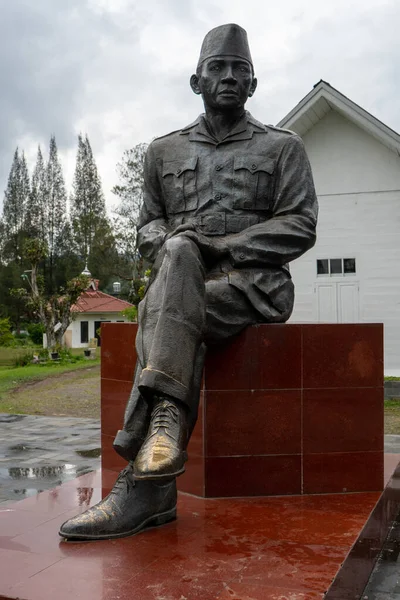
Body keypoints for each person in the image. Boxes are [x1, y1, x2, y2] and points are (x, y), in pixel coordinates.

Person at [59, 23, 318, 541]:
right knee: (176, 265)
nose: (228, 77)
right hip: (186, 286)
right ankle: (158, 453)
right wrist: (181, 251)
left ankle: (149, 458)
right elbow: (147, 227)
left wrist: (219, 248)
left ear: (253, 83)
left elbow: (300, 224)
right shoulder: (163, 152)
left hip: (254, 288)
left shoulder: (282, 148)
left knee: (169, 302)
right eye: (216, 68)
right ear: (195, 81)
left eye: (238, 69)